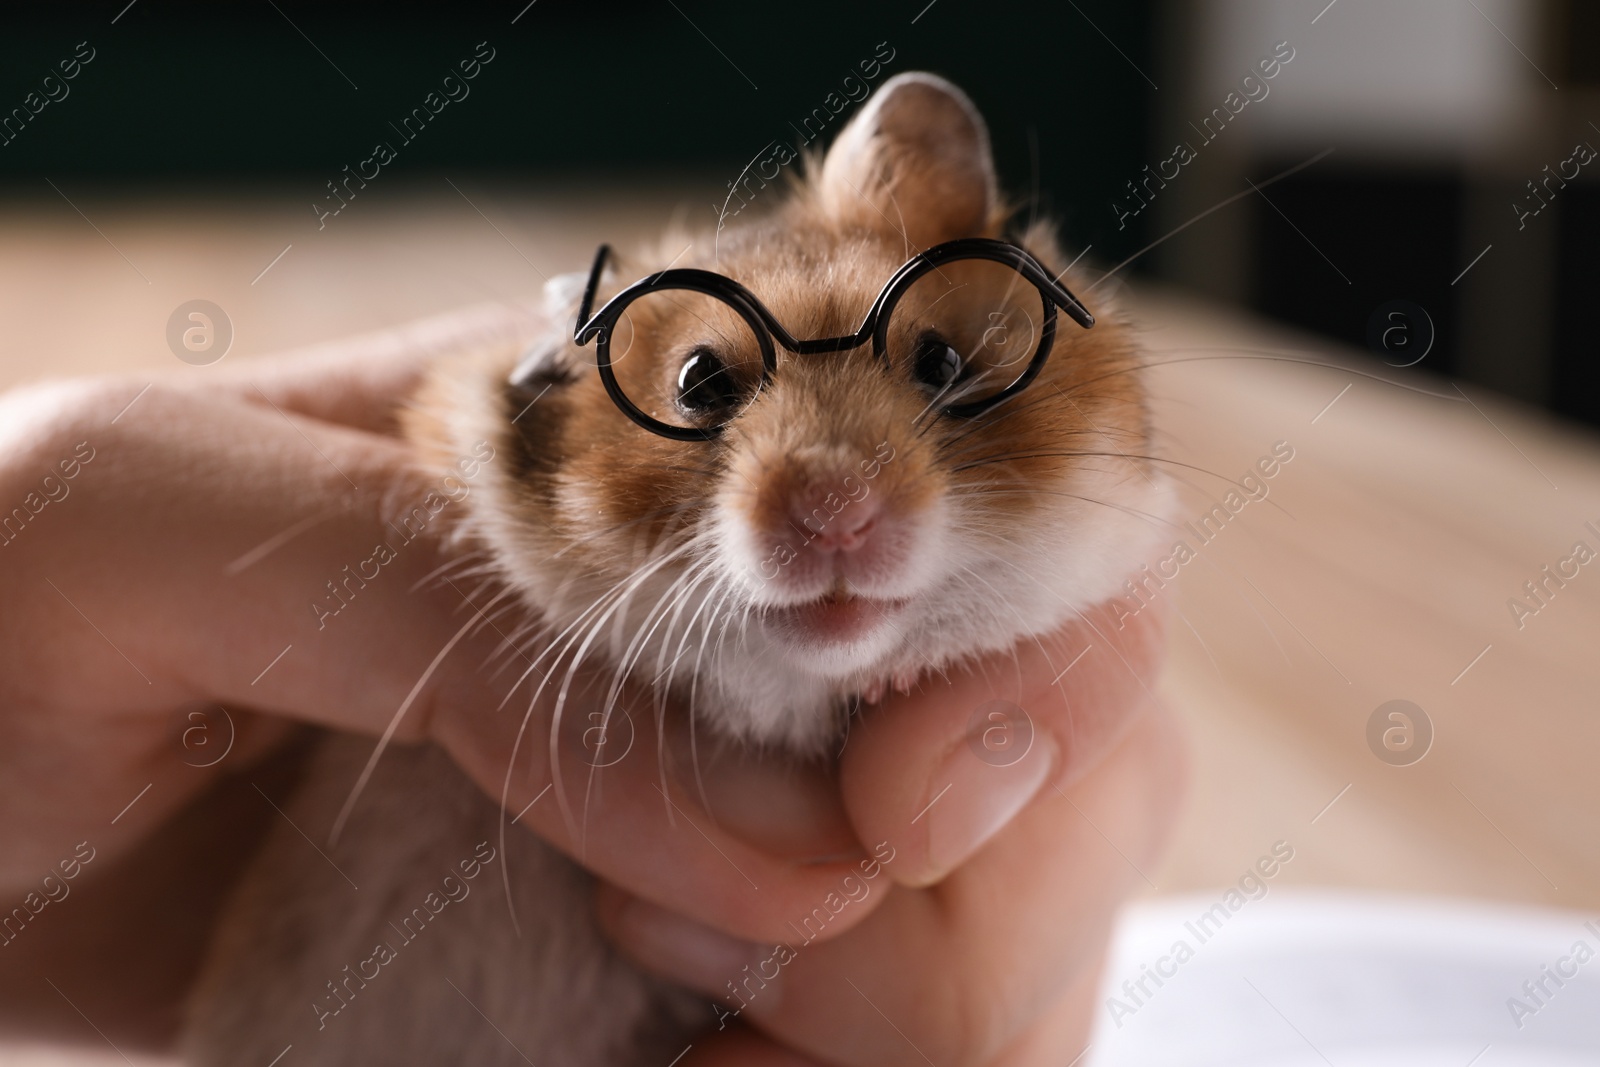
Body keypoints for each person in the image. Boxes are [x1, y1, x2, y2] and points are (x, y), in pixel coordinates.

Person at [0, 302, 1185, 1066]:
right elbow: (477, 426)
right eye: (711, 391)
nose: (832, 498)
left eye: (930, 364)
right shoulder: (547, 422)